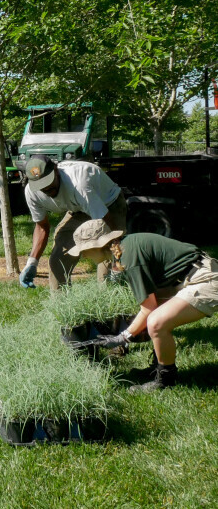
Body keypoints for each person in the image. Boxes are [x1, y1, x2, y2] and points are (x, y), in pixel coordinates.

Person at [69, 219, 218, 392]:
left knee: (156, 322)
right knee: (155, 317)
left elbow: (149, 308)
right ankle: (158, 367)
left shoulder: (129, 257)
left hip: (205, 280)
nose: (83, 256)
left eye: (84, 250)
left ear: (99, 245)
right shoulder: (124, 249)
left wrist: (123, 337)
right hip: (187, 277)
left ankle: (165, 380)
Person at [18, 155, 127, 290]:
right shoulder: (32, 192)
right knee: (58, 259)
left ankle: (109, 302)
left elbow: (110, 228)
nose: (46, 189)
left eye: (48, 182)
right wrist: (32, 262)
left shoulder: (79, 184)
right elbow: (41, 227)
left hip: (109, 204)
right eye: (41, 185)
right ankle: (62, 307)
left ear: (56, 171)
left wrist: (116, 259)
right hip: (76, 207)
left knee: (105, 258)